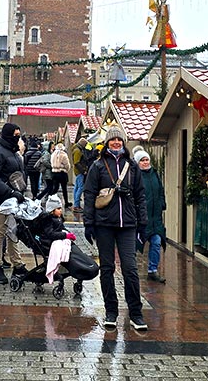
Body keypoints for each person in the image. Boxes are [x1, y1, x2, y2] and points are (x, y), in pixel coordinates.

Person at [83, 126, 148, 331]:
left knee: (130, 269)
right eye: (113, 140)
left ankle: (135, 313)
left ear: (123, 142)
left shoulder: (132, 166)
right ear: (107, 143)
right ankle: (111, 310)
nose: (116, 143)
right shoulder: (98, 165)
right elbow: (89, 194)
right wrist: (88, 222)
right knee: (107, 268)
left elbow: (140, 196)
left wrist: (143, 222)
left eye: (119, 140)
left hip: (128, 224)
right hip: (104, 224)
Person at [0, 123, 28, 285]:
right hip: (1, 200)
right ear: (8, 135)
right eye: (16, 134)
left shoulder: (12, 152)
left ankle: (17, 263)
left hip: (13, 200)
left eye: (19, 134)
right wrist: (9, 192)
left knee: (13, 232)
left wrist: (20, 192)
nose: (18, 137)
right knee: (0, 232)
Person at [136, 149, 167, 283]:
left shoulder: (155, 174)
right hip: (142, 217)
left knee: (156, 242)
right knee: (135, 244)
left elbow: (160, 190)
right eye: (142, 160)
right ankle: (130, 270)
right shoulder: (135, 176)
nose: (145, 162)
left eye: (146, 159)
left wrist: (162, 203)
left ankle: (152, 270)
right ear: (137, 163)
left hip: (156, 218)